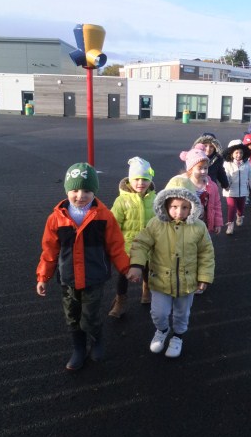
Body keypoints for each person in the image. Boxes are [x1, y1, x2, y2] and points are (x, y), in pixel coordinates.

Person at [36, 162, 131, 371]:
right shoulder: (56, 219)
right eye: (75, 190)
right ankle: (78, 347)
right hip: (68, 278)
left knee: (91, 316)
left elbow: (116, 246)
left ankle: (97, 340)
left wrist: (126, 268)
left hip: (93, 278)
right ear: (67, 191)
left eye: (87, 191)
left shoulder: (104, 216)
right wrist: (43, 276)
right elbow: (49, 251)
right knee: (72, 316)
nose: (81, 196)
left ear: (94, 192)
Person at [128, 187, 215, 358]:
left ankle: (178, 336)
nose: (179, 212)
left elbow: (206, 253)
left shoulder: (198, 227)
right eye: (174, 207)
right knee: (158, 313)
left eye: (185, 207)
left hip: (187, 281)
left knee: (182, 313)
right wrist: (137, 265)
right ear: (165, 206)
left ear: (192, 207)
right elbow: (141, 244)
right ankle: (162, 330)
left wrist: (204, 277)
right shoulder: (156, 224)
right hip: (160, 279)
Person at [108, 157, 156, 318]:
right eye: (136, 179)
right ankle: (120, 300)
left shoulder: (154, 199)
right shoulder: (122, 201)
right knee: (123, 275)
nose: (141, 183)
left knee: (148, 269)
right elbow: (114, 224)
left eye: (145, 179)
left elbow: (159, 222)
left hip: (148, 245)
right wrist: (113, 245)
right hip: (128, 246)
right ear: (130, 180)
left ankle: (146, 289)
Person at [178, 144, 223, 237]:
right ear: (190, 169)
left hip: (204, 224)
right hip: (187, 225)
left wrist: (217, 222)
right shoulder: (182, 184)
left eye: (205, 168)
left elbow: (216, 205)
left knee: (204, 243)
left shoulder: (211, 186)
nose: (203, 171)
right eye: (199, 168)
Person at [222, 139, 251, 235]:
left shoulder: (247, 163)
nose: (239, 155)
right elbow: (225, 175)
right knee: (231, 207)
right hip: (230, 190)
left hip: (242, 190)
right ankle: (230, 224)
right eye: (236, 153)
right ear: (231, 153)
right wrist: (226, 184)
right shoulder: (227, 164)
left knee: (241, 208)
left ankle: (240, 216)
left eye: (241, 153)